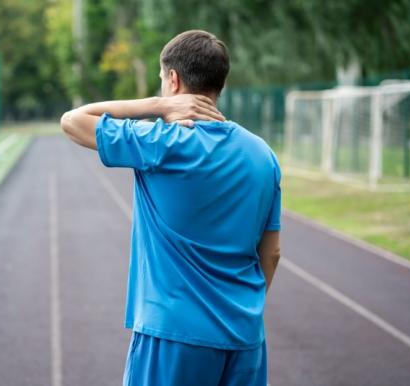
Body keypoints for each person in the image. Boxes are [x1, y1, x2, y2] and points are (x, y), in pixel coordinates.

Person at [61, 29, 281, 386]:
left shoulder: (162, 143)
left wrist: (157, 106)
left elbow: (72, 121)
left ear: (174, 80)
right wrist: (240, 309)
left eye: (162, 81)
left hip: (173, 334)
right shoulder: (263, 155)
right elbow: (271, 254)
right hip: (245, 337)